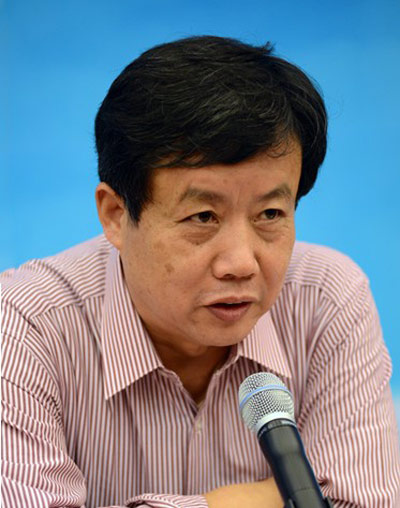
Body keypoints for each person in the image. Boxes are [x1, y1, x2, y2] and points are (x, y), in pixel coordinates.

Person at [1, 35, 399, 508]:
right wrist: (251, 500)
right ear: (115, 214)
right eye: (203, 217)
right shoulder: (25, 322)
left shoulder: (326, 299)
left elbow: (364, 499)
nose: (241, 263)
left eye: (270, 214)